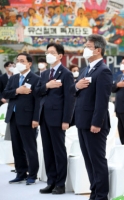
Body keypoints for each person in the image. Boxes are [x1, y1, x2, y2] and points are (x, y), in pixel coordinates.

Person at [74, 34, 112, 200]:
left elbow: (102, 100)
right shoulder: (85, 69)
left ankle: (101, 195)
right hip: (82, 122)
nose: (85, 49)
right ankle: (94, 193)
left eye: (88, 47)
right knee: (89, 161)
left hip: (95, 124)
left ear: (98, 50)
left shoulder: (103, 71)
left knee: (97, 161)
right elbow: (76, 93)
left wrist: (97, 122)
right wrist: (76, 86)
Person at [36, 43, 75, 194]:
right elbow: (37, 92)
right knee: (47, 150)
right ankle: (51, 181)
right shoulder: (45, 74)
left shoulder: (66, 74)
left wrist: (67, 120)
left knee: (58, 151)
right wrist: (48, 85)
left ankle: (60, 183)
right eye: (47, 52)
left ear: (60, 55)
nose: (48, 54)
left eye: (52, 52)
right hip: (44, 117)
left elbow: (70, 99)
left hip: (58, 118)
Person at [3, 53, 40, 185]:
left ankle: (33, 174)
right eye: (17, 60)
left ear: (29, 64)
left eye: (22, 61)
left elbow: (38, 101)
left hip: (28, 118)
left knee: (30, 147)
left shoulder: (35, 79)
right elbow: (5, 93)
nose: (18, 63)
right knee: (16, 147)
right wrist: (17, 91)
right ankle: (21, 172)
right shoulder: (14, 78)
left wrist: (36, 119)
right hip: (13, 117)